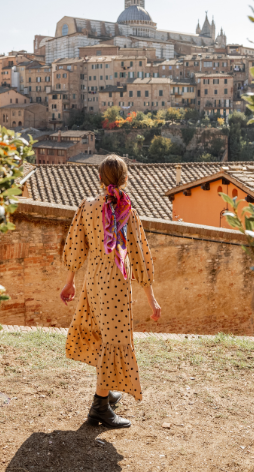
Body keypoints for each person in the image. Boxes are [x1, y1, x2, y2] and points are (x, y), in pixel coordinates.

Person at [58, 155, 161, 428]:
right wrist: (152, 299)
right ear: (125, 179)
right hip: (116, 287)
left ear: (100, 180)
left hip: (94, 281)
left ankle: (107, 390)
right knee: (114, 340)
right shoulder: (128, 212)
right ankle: (99, 408)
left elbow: (76, 246)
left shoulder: (87, 207)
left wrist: (70, 281)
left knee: (106, 337)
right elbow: (139, 256)